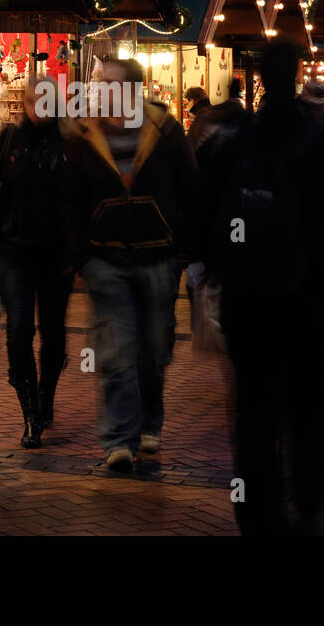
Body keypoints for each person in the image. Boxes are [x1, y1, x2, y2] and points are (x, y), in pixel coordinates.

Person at [203, 40, 324, 534]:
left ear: (257, 79)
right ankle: (311, 503)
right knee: (309, 411)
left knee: (255, 417)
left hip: (249, 306)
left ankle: (259, 516)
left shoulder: (235, 145)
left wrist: (216, 273)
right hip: (310, 308)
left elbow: (208, 221)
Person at [64, 57, 197, 472]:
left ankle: (149, 422)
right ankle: (119, 439)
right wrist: (81, 255)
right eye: (101, 82)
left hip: (158, 253)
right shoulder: (84, 134)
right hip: (105, 258)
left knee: (154, 346)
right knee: (117, 348)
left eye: (110, 82)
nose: (101, 88)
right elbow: (68, 199)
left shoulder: (166, 130)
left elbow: (190, 188)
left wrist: (185, 250)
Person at [0, 77, 73, 448]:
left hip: (58, 255)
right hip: (14, 252)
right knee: (20, 328)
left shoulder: (70, 144)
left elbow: (83, 199)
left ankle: (46, 398)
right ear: (25, 104)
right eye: (33, 101)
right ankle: (30, 413)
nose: (39, 108)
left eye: (46, 101)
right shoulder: (11, 140)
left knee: (54, 331)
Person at [189, 76, 249, 165]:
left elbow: (191, 151)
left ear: (194, 101)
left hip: (207, 171)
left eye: (187, 102)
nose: (187, 106)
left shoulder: (202, 118)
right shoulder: (214, 112)